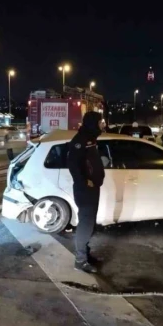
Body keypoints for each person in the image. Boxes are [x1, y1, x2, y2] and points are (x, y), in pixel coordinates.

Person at [67, 111, 105, 274]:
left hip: (92, 188)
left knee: (89, 225)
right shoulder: (80, 140)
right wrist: (85, 182)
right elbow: (73, 164)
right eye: (100, 122)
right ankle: (80, 261)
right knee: (85, 225)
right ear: (92, 123)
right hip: (85, 190)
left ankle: (86, 255)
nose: (102, 125)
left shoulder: (90, 139)